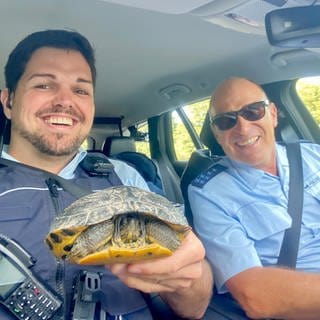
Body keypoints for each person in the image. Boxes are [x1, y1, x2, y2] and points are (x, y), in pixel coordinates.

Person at [0, 29, 213, 319]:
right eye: (44, 85)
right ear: (8, 101)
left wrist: (187, 277)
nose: (65, 101)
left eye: (81, 90)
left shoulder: (127, 177)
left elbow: (195, 306)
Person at [188, 76, 320, 320]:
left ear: (272, 114)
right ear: (217, 134)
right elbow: (256, 296)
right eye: (226, 121)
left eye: (253, 111)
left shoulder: (313, 154)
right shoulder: (209, 194)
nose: (243, 128)